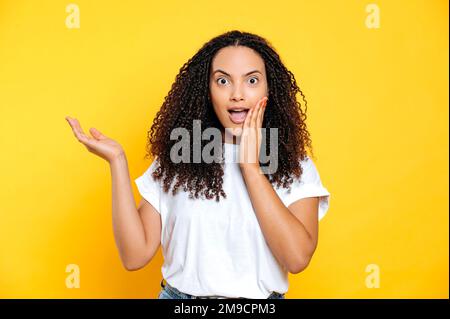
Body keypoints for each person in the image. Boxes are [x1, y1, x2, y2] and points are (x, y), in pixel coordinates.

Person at [65, 30, 331, 299]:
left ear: (269, 89)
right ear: (207, 89)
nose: (237, 94)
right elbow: (134, 256)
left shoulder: (293, 165)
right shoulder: (178, 160)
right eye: (223, 81)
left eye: (251, 80)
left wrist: (251, 168)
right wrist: (117, 161)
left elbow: (297, 258)